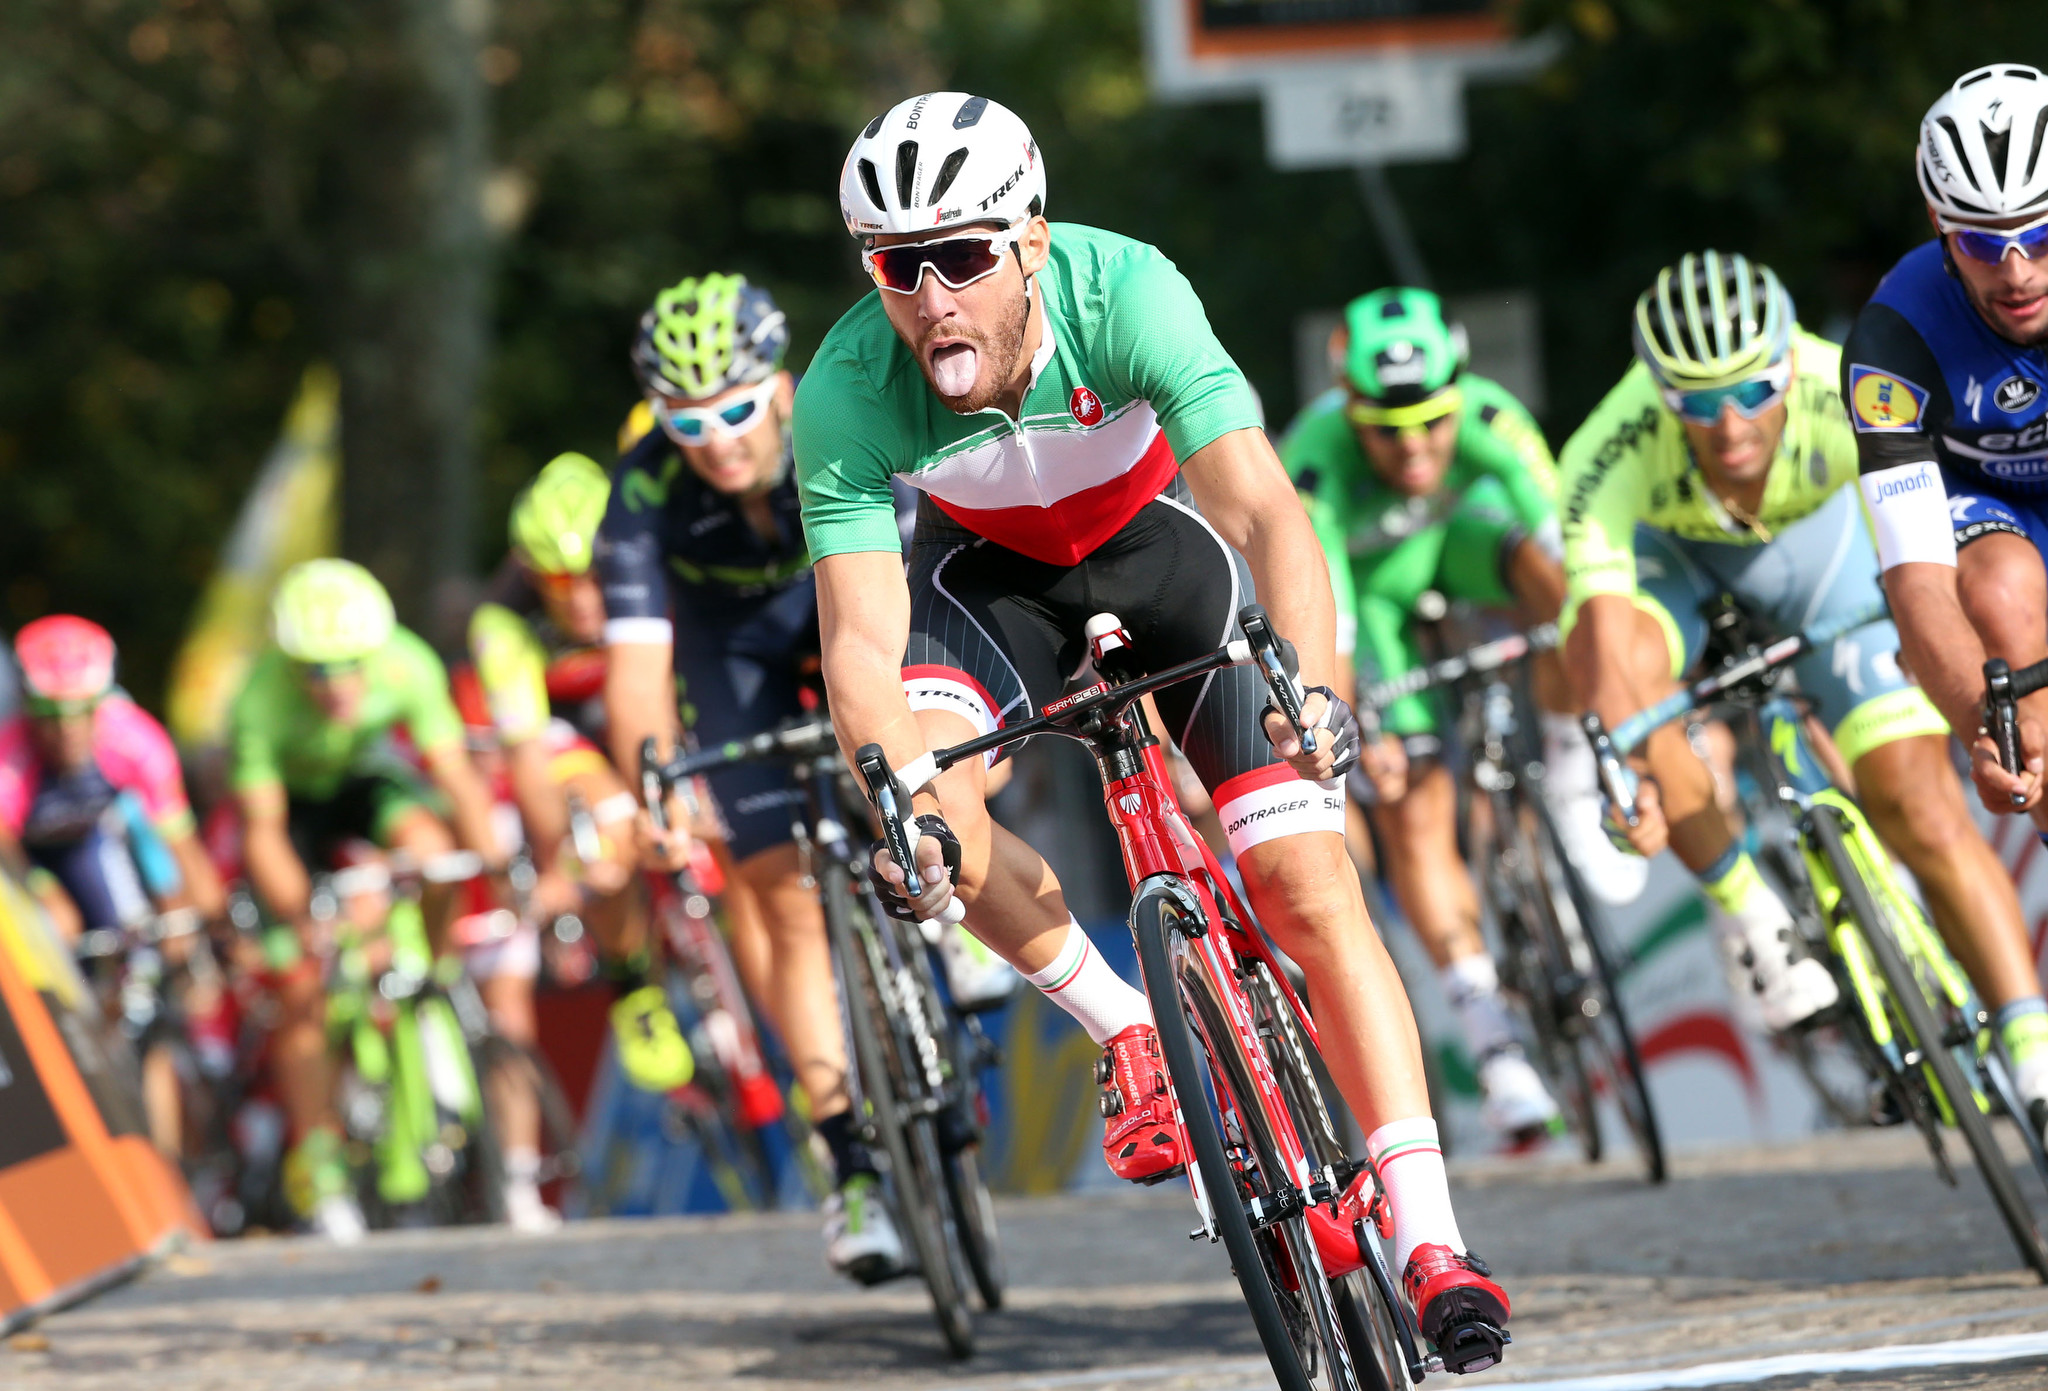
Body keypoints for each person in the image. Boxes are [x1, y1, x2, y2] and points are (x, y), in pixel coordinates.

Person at [794, 91, 1509, 1360]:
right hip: (987, 588)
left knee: (1302, 882)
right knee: (934, 829)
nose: (929, 296)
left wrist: (1313, 686)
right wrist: (901, 796)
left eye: (959, 256)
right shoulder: (847, 386)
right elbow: (858, 634)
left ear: (1029, 238)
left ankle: (1428, 1235)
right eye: (896, 266)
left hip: (1158, 558)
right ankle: (1127, 1020)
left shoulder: (1126, 291)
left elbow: (1264, 511)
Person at [599, 271, 1013, 1281]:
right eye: (685, 420)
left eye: (737, 408)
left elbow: (929, 591)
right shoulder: (644, 491)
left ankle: (952, 896)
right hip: (729, 649)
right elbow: (637, 675)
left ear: (777, 386)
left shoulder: (845, 413)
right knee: (779, 898)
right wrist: (654, 788)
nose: (718, 439)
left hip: (854, 599)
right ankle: (850, 1163)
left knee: (923, 742)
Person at [1562, 250, 2046, 1113]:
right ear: (1659, 396)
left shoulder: (1846, 383)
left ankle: (2029, 1036)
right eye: (1697, 403)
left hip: (1825, 556)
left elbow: (1918, 566)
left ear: (1791, 361)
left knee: (1919, 803)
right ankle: (1749, 909)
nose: (1732, 423)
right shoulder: (1606, 449)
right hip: (1674, 566)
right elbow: (1601, 645)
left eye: (1754, 389)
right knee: (1626, 670)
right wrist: (1623, 768)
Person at [1285, 287, 1593, 1144]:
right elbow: (1329, 620)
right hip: (1374, 598)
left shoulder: (1496, 418)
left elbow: (1574, 558)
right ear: (1350, 407)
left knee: (1552, 576)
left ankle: (1568, 758)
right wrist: (1361, 730)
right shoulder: (1314, 457)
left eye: (1432, 421)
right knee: (1416, 809)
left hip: (1467, 548)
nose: (1415, 446)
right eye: (1388, 429)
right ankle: (1497, 1049)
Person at [1844, 64, 2048, 1124]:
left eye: (2037, 233)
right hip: (1990, 516)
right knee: (2003, 597)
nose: (2014, 269)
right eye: (1980, 240)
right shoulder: (1893, 335)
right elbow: (1916, 579)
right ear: (1939, 227)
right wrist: (1984, 722)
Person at [229, 558, 509, 1240]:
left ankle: (431, 971)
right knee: (299, 987)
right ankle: (321, 1163)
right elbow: (263, 835)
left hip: (365, 781)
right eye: (316, 670)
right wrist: (306, 917)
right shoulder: (259, 700)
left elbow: (458, 783)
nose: (336, 684)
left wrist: (498, 878)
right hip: (293, 810)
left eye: (351, 665)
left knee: (436, 848)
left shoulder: (409, 665)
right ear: (290, 661)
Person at [471, 452, 690, 1113]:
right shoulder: (503, 625)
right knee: (602, 840)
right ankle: (634, 987)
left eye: (594, 576)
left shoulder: (653, 561)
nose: (582, 599)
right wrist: (555, 855)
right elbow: (527, 759)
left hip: (652, 704)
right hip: (569, 735)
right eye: (558, 584)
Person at [1, 616, 226, 936]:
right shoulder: (9, 751)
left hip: (94, 850)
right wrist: (43, 891)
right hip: (27, 864)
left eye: (83, 708)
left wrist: (217, 927)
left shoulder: (137, 739)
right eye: (50, 711)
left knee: (160, 926)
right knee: (55, 925)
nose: (68, 729)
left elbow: (179, 842)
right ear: (27, 708)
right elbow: (4, 846)